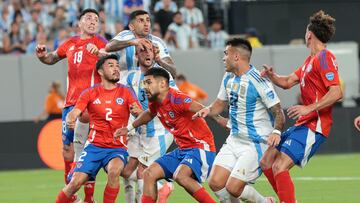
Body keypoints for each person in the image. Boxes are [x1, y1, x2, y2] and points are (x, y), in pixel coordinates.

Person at [260, 10, 342, 203]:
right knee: (266, 161)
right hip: (304, 124)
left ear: (309, 34)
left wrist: (308, 108)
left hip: (315, 125)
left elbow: (336, 92)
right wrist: (273, 76)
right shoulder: (309, 61)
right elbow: (288, 81)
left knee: (279, 166)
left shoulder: (325, 57)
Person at [194, 38, 283, 203]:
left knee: (233, 188)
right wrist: (208, 110)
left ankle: (265, 202)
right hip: (234, 140)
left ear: (236, 56)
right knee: (215, 182)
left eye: (226, 53)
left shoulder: (258, 81)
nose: (223, 58)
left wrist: (276, 132)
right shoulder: (228, 77)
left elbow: (278, 112)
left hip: (255, 143)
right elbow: (219, 104)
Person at [35, 8, 107, 203]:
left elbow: (112, 61)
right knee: (67, 150)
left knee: (88, 151)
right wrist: (43, 56)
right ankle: (72, 194)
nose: (93, 21)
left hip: (93, 105)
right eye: (89, 18)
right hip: (70, 104)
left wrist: (101, 54)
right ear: (79, 23)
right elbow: (52, 58)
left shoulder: (101, 43)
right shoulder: (70, 43)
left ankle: (89, 197)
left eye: (96, 19)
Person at [114, 68, 217, 203]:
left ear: (163, 84)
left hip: (201, 147)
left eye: (148, 82)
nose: (145, 87)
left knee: (181, 176)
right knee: (149, 174)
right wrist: (128, 128)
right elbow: (149, 113)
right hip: (183, 150)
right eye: (144, 83)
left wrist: (221, 120)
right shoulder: (155, 102)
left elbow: (202, 108)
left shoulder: (178, 98)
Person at [55, 54, 141, 203]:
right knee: (74, 183)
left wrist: (137, 112)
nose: (116, 69)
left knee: (114, 172)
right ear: (100, 72)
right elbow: (75, 111)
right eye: (111, 66)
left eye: (117, 66)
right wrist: (71, 119)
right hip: (94, 147)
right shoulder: (90, 92)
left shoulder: (126, 91)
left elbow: (139, 111)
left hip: (117, 147)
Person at [120, 40, 175, 203]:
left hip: (159, 131)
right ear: (136, 56)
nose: (147, 53)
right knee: (127, 172)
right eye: (142, 50)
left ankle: (163, 187)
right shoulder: (130, 77)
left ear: (155, 53)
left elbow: (173, 99)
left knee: (143, 171)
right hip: (138, 132)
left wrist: (144, 110)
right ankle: (158, 188)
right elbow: (119, 96)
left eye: (150, 50)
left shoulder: (164, 76)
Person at [104, 10, 176, 78]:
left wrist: (159, 60)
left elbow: (173, 73)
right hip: (126, 86)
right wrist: (132, 42)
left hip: (148, 87)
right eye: (141, 21)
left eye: (148, 20)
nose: (146, 24)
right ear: (131, 27)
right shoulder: (125, 35)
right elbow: (108, 47)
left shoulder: (158, 42)